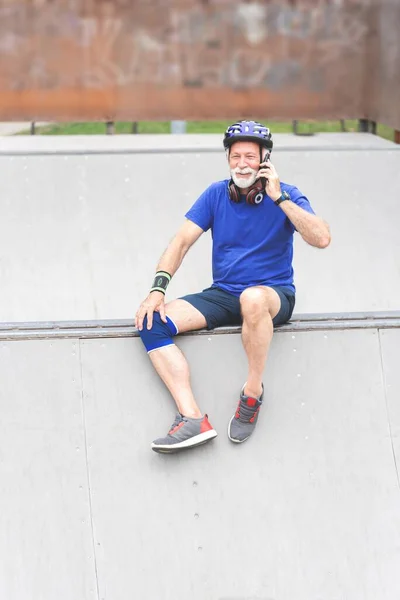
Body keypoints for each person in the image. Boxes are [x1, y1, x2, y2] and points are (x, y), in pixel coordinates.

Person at [135, 120, 331, 454]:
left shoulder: (287, 194)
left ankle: (252, 394)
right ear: (228, 159)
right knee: (150, 321)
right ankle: (192, 417)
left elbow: (322, 238)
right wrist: (157, 290)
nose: (242, 163)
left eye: (250, 157)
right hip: (225, 293)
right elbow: (181, 242)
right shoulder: (215, 195)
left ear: (264, 161)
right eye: (236, 156)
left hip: (272, 294)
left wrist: (279, 197)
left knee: (252, 299)